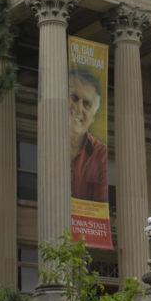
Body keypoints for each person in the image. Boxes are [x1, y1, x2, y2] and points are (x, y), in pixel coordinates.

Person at [68, 68, 108, 203]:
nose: (79, 109)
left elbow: (100, 204)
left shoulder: (100, 153)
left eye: (86, 104)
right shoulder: (46, 142)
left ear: (93, 118)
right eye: (74, 98)